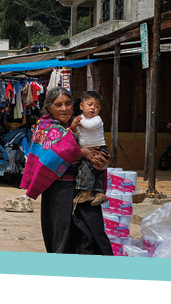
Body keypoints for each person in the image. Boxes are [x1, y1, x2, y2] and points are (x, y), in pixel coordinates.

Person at [20, 87, 112, 255]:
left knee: (92, 235)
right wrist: (80, 152)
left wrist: (101, 159)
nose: (64, 108)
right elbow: (48, 160)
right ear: (49, 108)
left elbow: (97, 145)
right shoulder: (44, 128)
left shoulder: (83, 123)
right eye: (58, 104)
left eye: (68, 104)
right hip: (59, 192)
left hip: (85, 188)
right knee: (62, 237)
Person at [70, 91, 110, 207]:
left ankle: (85, 191)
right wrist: (73, 126)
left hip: (100, 149)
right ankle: (99, 193)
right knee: (94, 172)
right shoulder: (81, 119)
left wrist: (79, 121)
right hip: (87, 151)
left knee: (86, 169)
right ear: (82, 106)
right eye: (90, 104)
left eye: (97, 106)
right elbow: (76, 135)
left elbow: (90, 126)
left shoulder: (97, 119)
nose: (93, 108)